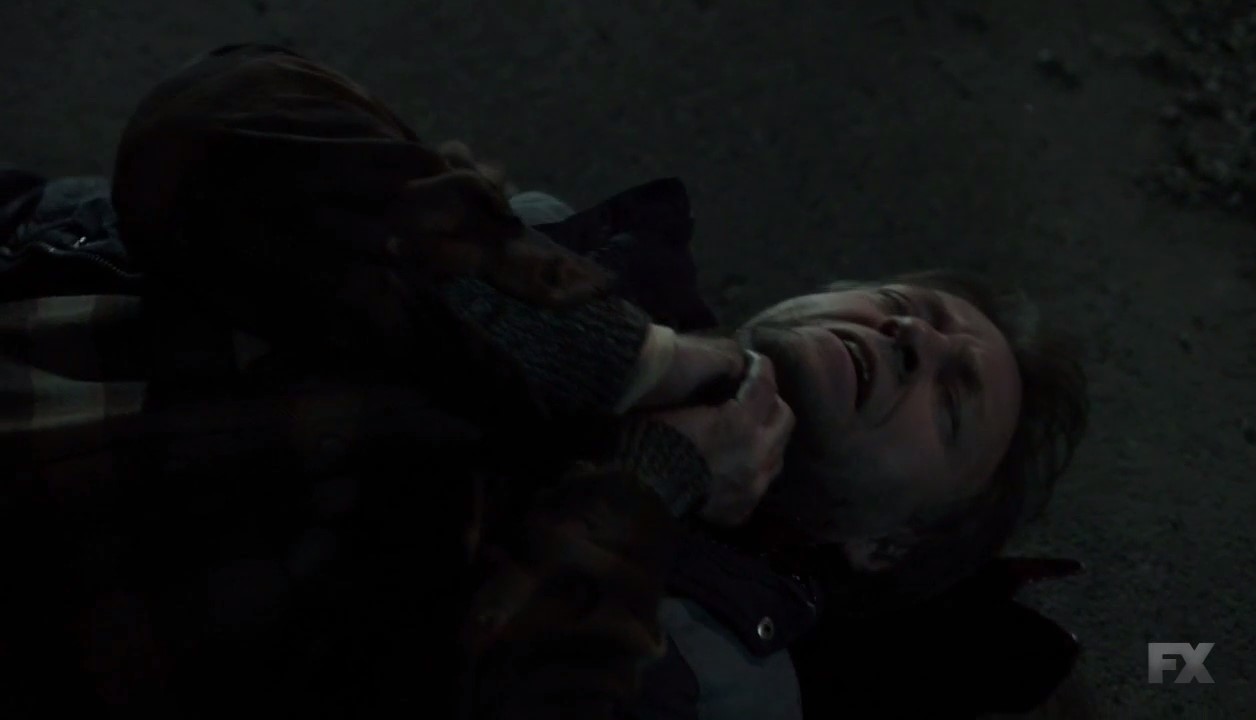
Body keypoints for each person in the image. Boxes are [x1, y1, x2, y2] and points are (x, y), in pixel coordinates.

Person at [0, 44, 793, 717]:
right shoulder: (560, 271)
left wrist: (651, 484)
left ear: (863, 547)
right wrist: (626, 355)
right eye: (872, 301)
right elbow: (199, 128)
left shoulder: (735, 672)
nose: (904, 329)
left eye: (924, 391)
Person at [508, 193, 1089, 719]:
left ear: (887, 544)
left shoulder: (722, 687)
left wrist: (656, 476)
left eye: (951, 402)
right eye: (899, 303)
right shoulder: (545, 242)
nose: (914, 334)